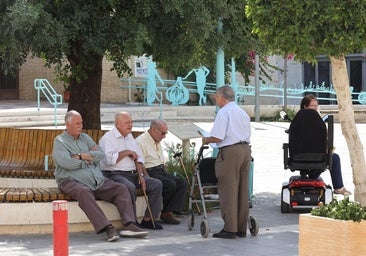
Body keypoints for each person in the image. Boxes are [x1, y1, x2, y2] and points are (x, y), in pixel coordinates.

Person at [52, 110, 149, 242]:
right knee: (84, 191)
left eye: (81, 123)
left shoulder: (85, 138)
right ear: (67, 125)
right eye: (77, 123)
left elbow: (101, 154)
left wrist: (80, 156)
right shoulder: (60, 141)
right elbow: (66, 162)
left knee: (121, 188)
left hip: (96, 180)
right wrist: (87, 160)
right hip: (70, 181)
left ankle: (129, 224)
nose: (80, 126)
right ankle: (107, 228)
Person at [201, 85, 252, 239]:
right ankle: (241, 228)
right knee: (242, 190)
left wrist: (206, 139)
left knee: (228, 190)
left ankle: (230, 228)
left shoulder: (224, 112)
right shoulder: (242, 112)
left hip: (230, 152)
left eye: (216, 97)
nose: (216, 100)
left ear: (222, 97)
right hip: (245, 150)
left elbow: (218, 137)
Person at [99, 111, 164, 230]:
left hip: (132, 174)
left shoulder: (129, 137)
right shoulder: (107, 139)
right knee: (129, 187)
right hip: (114, 174)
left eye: (131, 122)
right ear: (117, 124)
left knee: (156, 184)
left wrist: (141, 176)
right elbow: (109, 160)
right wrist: (126, 152)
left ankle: (149, 219)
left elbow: (139, 159)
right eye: (127, 122)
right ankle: (131, 222)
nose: (130, 125)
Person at [136, 119, 187, 225]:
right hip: (151, 171)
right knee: (170, 185)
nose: (164, 136)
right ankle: (166, 213)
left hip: (161, 170)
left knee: (182, 182)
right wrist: (147, 177)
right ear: (155, 130)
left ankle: (168, 211)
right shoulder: (141, 141)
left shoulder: (156, 139)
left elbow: (160, 160)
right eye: (163, 133)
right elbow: (140, 163)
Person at [300, 94, 351, 195]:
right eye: (312, 106)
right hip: (315, 155)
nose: (315, 108)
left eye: (316, 106)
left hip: (298, 156)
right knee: (334, 158)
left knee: (325, 158)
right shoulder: (317, 122)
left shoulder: (297, 120)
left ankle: (310, 178)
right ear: (305, 106)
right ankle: (338, 187)